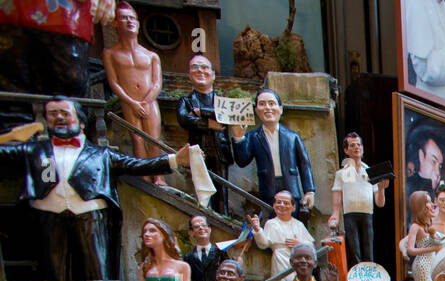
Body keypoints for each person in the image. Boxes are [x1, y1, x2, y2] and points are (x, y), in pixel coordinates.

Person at [0, 98, 191, 281]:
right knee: (56, 271)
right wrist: (11, 136)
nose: (59, 117)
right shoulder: (36, 150)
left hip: (89, 213)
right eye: (53, 113)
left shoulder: (100, 154)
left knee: (97, 268)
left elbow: (136, 164)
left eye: (64, 113)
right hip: (49, 214)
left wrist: (174, 160)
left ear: (80, 122)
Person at [230, 88, 315, 222]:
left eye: (271, 103)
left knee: (293, 224)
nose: (267, 108)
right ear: (257, 110)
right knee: (271, 224)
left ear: (280, 108)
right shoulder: (253, 137)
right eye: (262, 104)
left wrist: (309, 190)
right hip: (268, 190)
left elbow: (304, 164)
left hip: (291, 188)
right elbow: (242, 160)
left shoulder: (292, 137)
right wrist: (239, 138)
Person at [103, 3, 165, 184]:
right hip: (130, 101)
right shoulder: (110, 53)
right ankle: (144, 174)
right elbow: (114, 82)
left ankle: (159, 176)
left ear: (138, 24)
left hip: (149, 101)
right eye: (124, 18)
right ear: (115, 23)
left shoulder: (151, 55)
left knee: (154, 138)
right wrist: (132, 102)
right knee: (137, 138)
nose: (129, 22)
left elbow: (156, 82)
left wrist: (147, 101)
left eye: (132, 18)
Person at [176, 54, 234, 214]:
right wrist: (208, 123)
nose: (200, 70)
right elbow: (184, 119)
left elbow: (225, 115)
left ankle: (224, 219)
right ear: (189, 74)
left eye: (204, 67)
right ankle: (203, 221)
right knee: (201, 191)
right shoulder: (186, 101)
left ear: (213, 74)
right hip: (199, 150)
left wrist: (202, 112)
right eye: (195, 67)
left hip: (220, 150)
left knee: (222, 190)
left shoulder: (222, 100)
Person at [328, 132, 388, 265]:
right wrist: (335, 216)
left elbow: (379, 202)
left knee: (368, 249)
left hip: (367, 213)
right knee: (354, 249)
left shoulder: (370, 172)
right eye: (352, 145)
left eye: (359, 144)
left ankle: (369, 279)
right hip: (350, 214)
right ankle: (356, 280)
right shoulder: (342, 173)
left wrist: (382, 188)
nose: (357, 148)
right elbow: (337, 197)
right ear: (346, 150)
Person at [252, 190, 314, 281]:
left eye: (286, 203)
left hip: (299, 261)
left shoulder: (298, 225)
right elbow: (264, 244)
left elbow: (311, 246)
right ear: (274, 205)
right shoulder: (271, 224)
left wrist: (300, 245)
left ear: (293, 207)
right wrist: (258, 230)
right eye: (279, 202)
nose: (282, 205)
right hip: (280, 259)